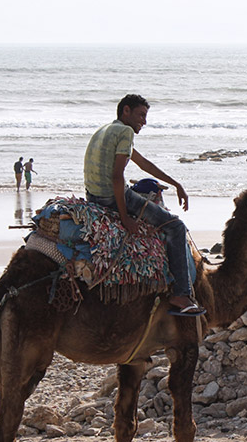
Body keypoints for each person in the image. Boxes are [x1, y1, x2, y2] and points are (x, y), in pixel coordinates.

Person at [83, 94, 204, 316]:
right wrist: (124, 217)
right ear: (125, 111)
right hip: (111, 197)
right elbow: (118, 177)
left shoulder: (106, 130)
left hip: (93, 196)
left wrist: (175, 183)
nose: (144, 122)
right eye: (141, 115)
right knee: (175, 226)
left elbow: (143, 163)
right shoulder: (125, 132)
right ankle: (181, 293)